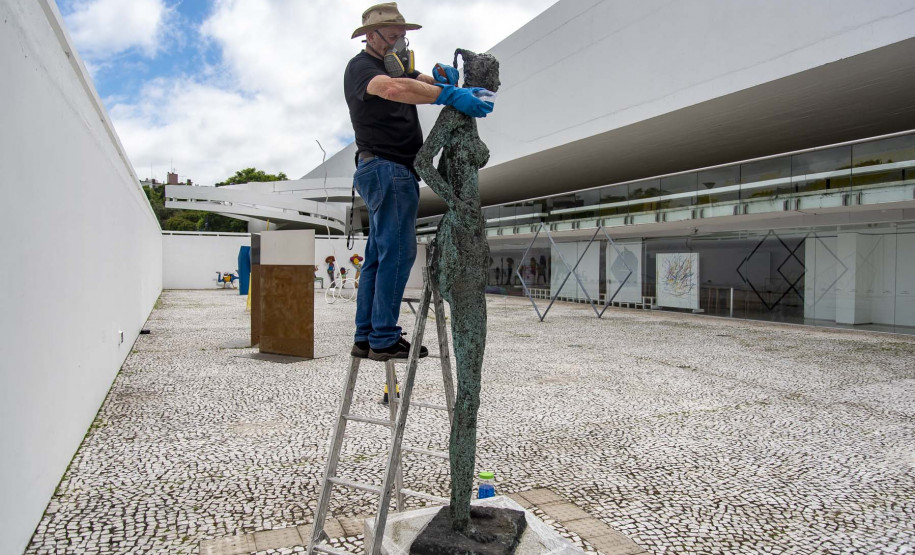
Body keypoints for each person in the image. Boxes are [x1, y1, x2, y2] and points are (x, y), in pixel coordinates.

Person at [345, 2, 493, 361]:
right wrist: (449, 95)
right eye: (393, 35)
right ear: (370, 35)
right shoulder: (362, 67)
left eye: (403, 36)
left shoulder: (396, 67)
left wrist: (440, 80)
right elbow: (393, 89)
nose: (400, 41)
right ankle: (383, 338)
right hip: (389, 168)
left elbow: (414, 82)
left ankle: (366, 336)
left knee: (379, 257)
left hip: (382, 169)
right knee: (398, 252)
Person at [414, 47, 499, 535]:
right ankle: (461, 511)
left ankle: (463, 501)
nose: (492, 94)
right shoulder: (454, 112)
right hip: (459, 240)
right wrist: (455, 206)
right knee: (469, 390)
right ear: (476, 80)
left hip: (475, 240)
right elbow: (423, 162)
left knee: (474, 386)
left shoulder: (470, 120)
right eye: (489, 84)